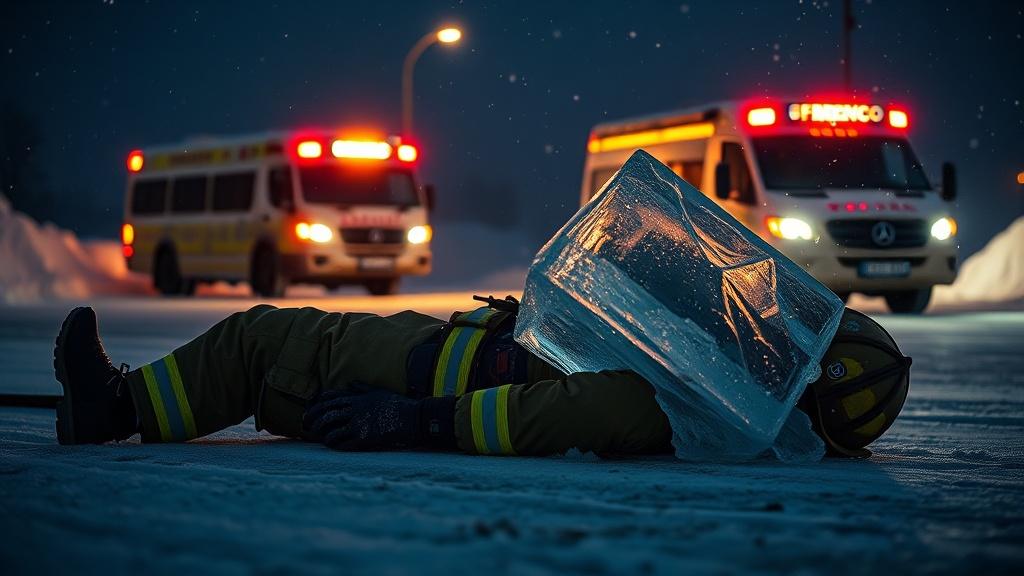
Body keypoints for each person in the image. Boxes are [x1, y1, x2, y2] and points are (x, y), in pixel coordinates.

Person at [52, 296, 911, 458]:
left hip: (438, 376)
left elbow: (568, 413)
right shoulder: (731, 396)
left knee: (265, 343)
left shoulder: (709, 410)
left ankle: (112, 407)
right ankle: (122, 403)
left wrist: (412, 422)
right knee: (273, 351)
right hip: (455, 353)